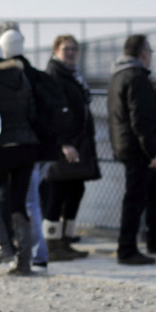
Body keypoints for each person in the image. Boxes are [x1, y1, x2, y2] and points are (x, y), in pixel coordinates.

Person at [108, 34, 156, 265]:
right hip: (139, 150)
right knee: (135, 198)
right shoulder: (136, 78)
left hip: (131, 146)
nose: (151, 56)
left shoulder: (119, 76)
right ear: (143, 53)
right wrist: (152, 153)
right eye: (150, 51)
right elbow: (141, 120)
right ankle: (126, 249)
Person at [0, 30, 39, 276]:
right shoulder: (20, 75)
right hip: (28, 146)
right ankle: (24, 262)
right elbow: (32, 112)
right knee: (18, 203)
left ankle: (4, 247)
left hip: (3, 148)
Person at [0, 24, 55, 270]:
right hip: (42, 148)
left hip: (20, 148)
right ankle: (31, 252)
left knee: (23, 202)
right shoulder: (37, 75)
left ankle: (33, 253)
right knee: (29, 201)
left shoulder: (8, 77)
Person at [42, 34, 100, 260]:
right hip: (63, 146)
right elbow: (54, 113)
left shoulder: (73, 75)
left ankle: (66, 241)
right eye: (66, 49)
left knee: (75, 190)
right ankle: (52, 245)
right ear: (56, 50)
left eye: (74, 49)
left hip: (79, 144)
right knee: (57, 194)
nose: (71, 53)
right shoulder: (54, 75)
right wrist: (64, 143)